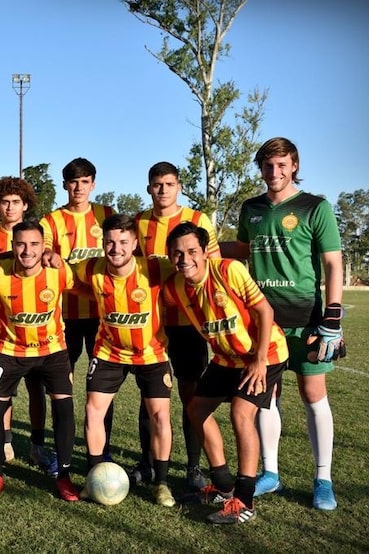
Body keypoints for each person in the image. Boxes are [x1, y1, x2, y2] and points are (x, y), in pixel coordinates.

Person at [222, 137, 345, 511]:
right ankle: (270, 474)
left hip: (306, 321)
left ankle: (323, 478)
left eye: (281, 165)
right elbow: (243, 250)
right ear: (260, 168)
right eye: (267, 166)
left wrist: (333, 316)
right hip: (262, 322)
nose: (274, 173)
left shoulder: (315, 207)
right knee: (265, 398)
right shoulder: (251, 208)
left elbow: (332, 263)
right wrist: (203, 244)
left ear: (294, 166)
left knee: (313, 396)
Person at [164, 222, 288, 524]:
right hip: (225, 358)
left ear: (205, 252)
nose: (185, 259)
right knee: (196, 409)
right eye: (178, 254)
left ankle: (244, 500)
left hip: (265, 353)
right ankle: (222, 485)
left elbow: (264, 312)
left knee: (241, 413)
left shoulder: (229, 270)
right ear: (170, 257)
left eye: (192, 251)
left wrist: (259, 360)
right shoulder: (175, 287)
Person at [0, 220, 81, 502]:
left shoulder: (59, 272)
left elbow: (89, 290)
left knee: (64, 408)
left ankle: (64, 476)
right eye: (20, 244)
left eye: (33, 245)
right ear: (12, 246)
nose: (27, 251)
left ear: (44, 247)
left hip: (52, 351)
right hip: (9, 351)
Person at [73, 214, 176, 507]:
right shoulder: (91, 267)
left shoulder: (156, 267)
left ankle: (162, 483)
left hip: (152, 353)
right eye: (109, 242)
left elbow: (191, 269)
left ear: (134, 244)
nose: (115, 248)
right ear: (102, 243)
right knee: (93, 411)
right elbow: (62, 275)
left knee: (159, 416)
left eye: (122, 242)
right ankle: (94, 477)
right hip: (109, 353)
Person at [133, 161, 219, 490]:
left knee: (190, 393)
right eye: (157, 184)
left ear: (179, 186)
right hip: (152, 322)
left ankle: (194, 467)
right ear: (149, 188)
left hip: (189, 321)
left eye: (169, 184)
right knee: (150, 396)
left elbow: (209, 267)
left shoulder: (198, 220)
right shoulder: (140, 222)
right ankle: (147, 463)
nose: (163, 190)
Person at [40, 158, 115, 466]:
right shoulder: (52, 220)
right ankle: (63, 451)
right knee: (63, 388)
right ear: (65, 185)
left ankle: (103, 450)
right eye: (73, 182)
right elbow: (44, 249)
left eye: (84, 181)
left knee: (102, 388)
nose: (79, 187)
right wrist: (49, 254)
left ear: (93, 184)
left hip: (103, 315)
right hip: (65, 315)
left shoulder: (107, 215)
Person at [0, 177, 39, 464]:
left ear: (25, 205)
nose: (10, 207)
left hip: (37, 328)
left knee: (37, 388)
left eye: (16, 202)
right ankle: (4, 441)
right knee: (1, 390)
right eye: (5, 202)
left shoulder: (38, 233)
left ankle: (38, 442)